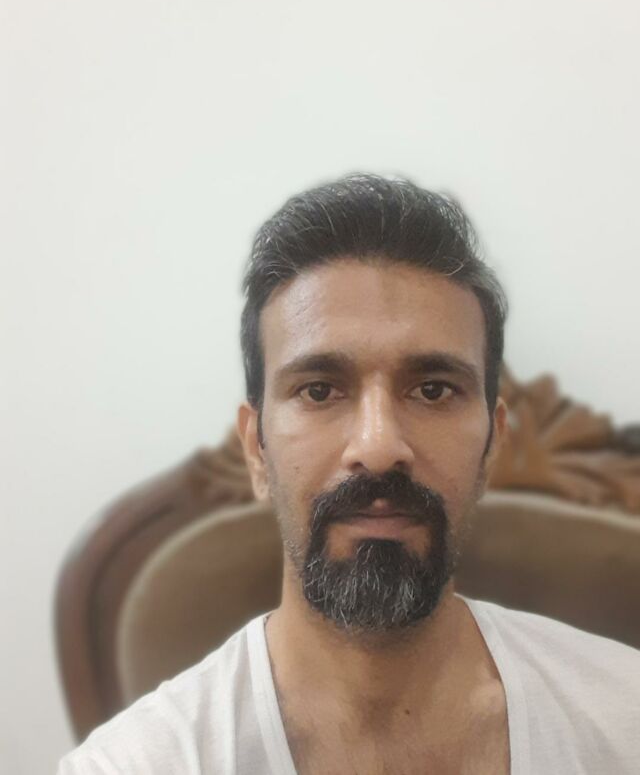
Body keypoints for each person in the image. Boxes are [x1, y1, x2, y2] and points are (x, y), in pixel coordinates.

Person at [58, 174, 640, 774]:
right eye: (319, 390)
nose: (379, 447)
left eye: (433, 390)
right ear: (256, 450)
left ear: (493, 445)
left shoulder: (625, 724)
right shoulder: (133, 765)